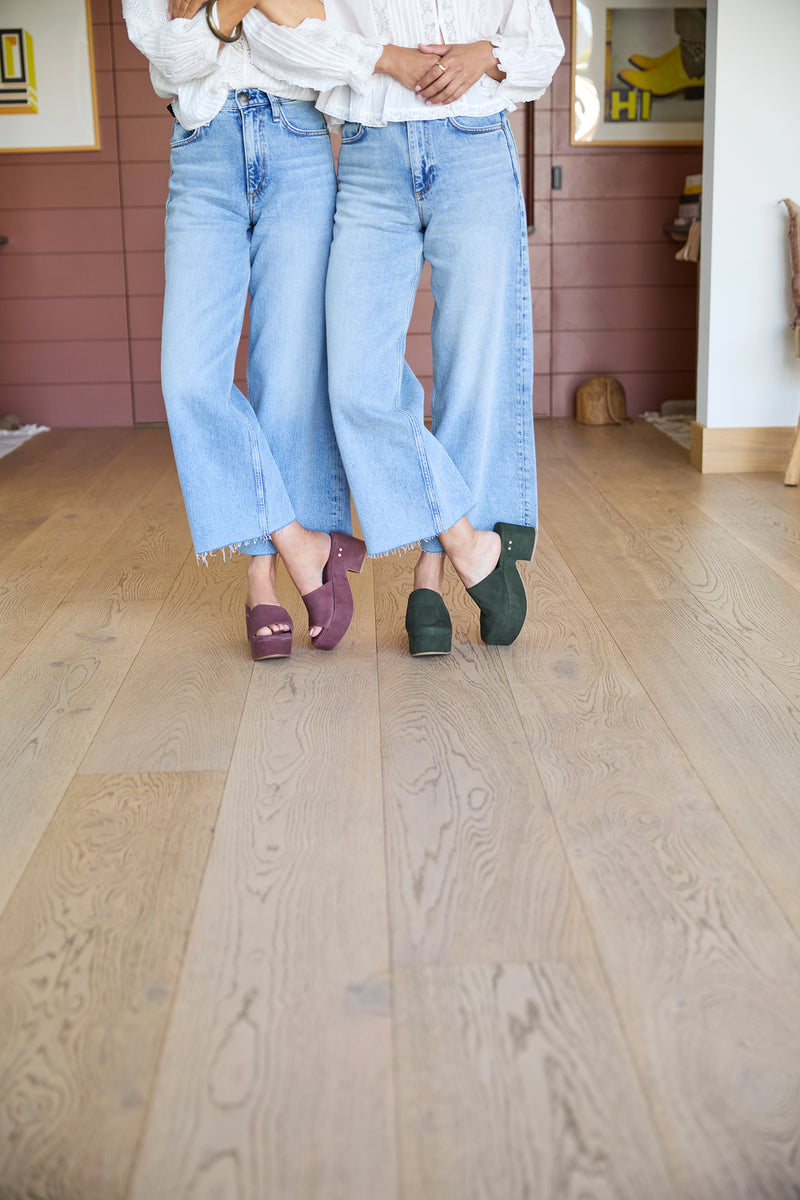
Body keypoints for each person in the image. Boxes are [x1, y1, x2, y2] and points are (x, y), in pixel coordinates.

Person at [122, 0, 386, 657]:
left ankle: (260, 578)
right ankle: (304, 543)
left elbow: (333, 50)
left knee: (288, 377)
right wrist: (242, 16)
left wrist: (222, 10)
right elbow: (170, 55)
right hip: (202, 150)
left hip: (298, 146)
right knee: (188, 379)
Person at [317, 0, 564, 653]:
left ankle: (428, 576)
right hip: (370, 154)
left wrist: (488, 53)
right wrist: (383, 58)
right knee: (354, 381)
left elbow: (542, 45)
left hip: (475, 144)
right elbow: (305, 41)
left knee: (475, 369)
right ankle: (467, 542)